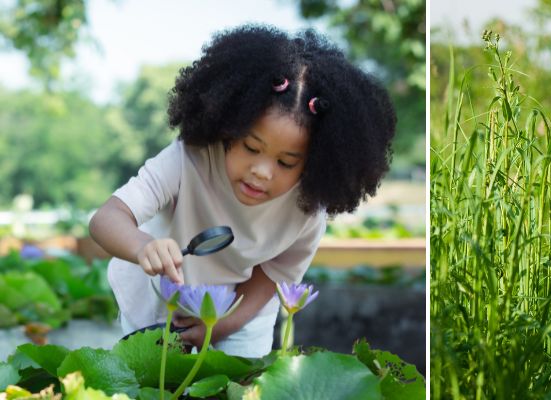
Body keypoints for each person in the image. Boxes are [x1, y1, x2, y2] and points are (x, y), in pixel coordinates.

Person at [89, 24, 396, 358]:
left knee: (236, 382)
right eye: (251, 147)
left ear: (315, 164)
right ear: (228, 128)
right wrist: (142, 247)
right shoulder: (189, 158)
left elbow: (271, 276)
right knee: (153, 378)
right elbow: (107, 218)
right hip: (159, 299)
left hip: (240, 312)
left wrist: (221, 325)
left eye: (286, 162)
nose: (262, 171)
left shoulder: (308, 209)